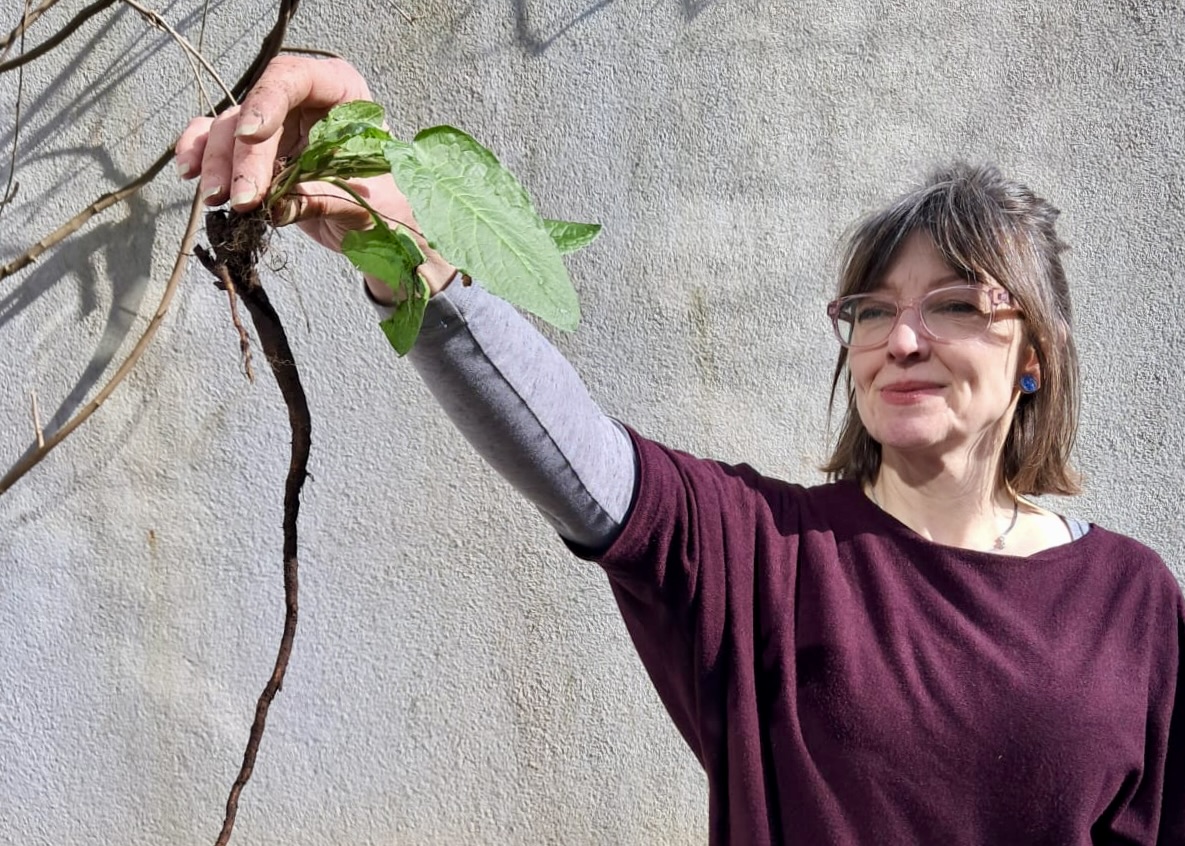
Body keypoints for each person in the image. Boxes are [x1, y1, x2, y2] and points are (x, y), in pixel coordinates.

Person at [176, 57, 1185, 845]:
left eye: (955, 304)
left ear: (1034, 356)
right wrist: (401, 245)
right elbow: (575, 456)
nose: (902, 339)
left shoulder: (1131, 600)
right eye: (873, 310)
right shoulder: (767, 554)